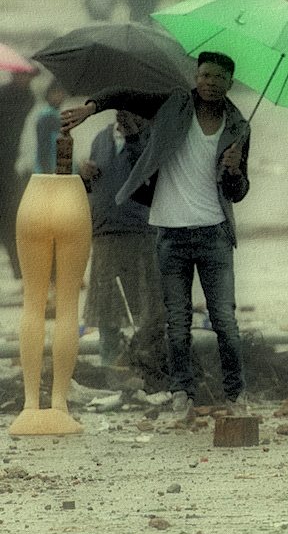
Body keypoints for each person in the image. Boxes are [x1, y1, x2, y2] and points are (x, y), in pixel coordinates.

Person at [61, 51, 251, 416]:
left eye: (218, 77)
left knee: (225, 321)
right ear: (196, 77)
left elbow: (238, 192)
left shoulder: (239, 126)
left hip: (214, 234)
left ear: (229, 83)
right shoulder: (174, 105)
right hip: (170, 233)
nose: (210, 82)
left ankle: (236, 394)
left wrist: (234, 171)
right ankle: (181, 392)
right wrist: (90, 108)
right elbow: (123, 95)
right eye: (205, 75)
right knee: (177, 323)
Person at [78, 110, 165, 373]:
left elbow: (154, 176)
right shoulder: (101, 138)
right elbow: (90, 188)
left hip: (142, 230)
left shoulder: (151, 137)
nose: (123, 112)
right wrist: (84, 174)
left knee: (147, 304)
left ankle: (148, 363)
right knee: (106, 306)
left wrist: (134, 136)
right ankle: (110, 366)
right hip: (105, 230)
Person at [0, 69, 37, 282]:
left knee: (14, 217)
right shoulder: (3, 94)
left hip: (17, 164)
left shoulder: (30, 99)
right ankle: (19, 269)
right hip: (5, 163)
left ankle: (21, 269)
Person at [34, 83, 67, 175]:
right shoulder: (47, 116)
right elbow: (43, 144)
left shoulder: (58, 114)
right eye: (54, 93)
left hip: (57, 167)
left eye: (60, 93)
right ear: (48, 95)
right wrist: (46, 168)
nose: (58, 96)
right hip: (49, 168)